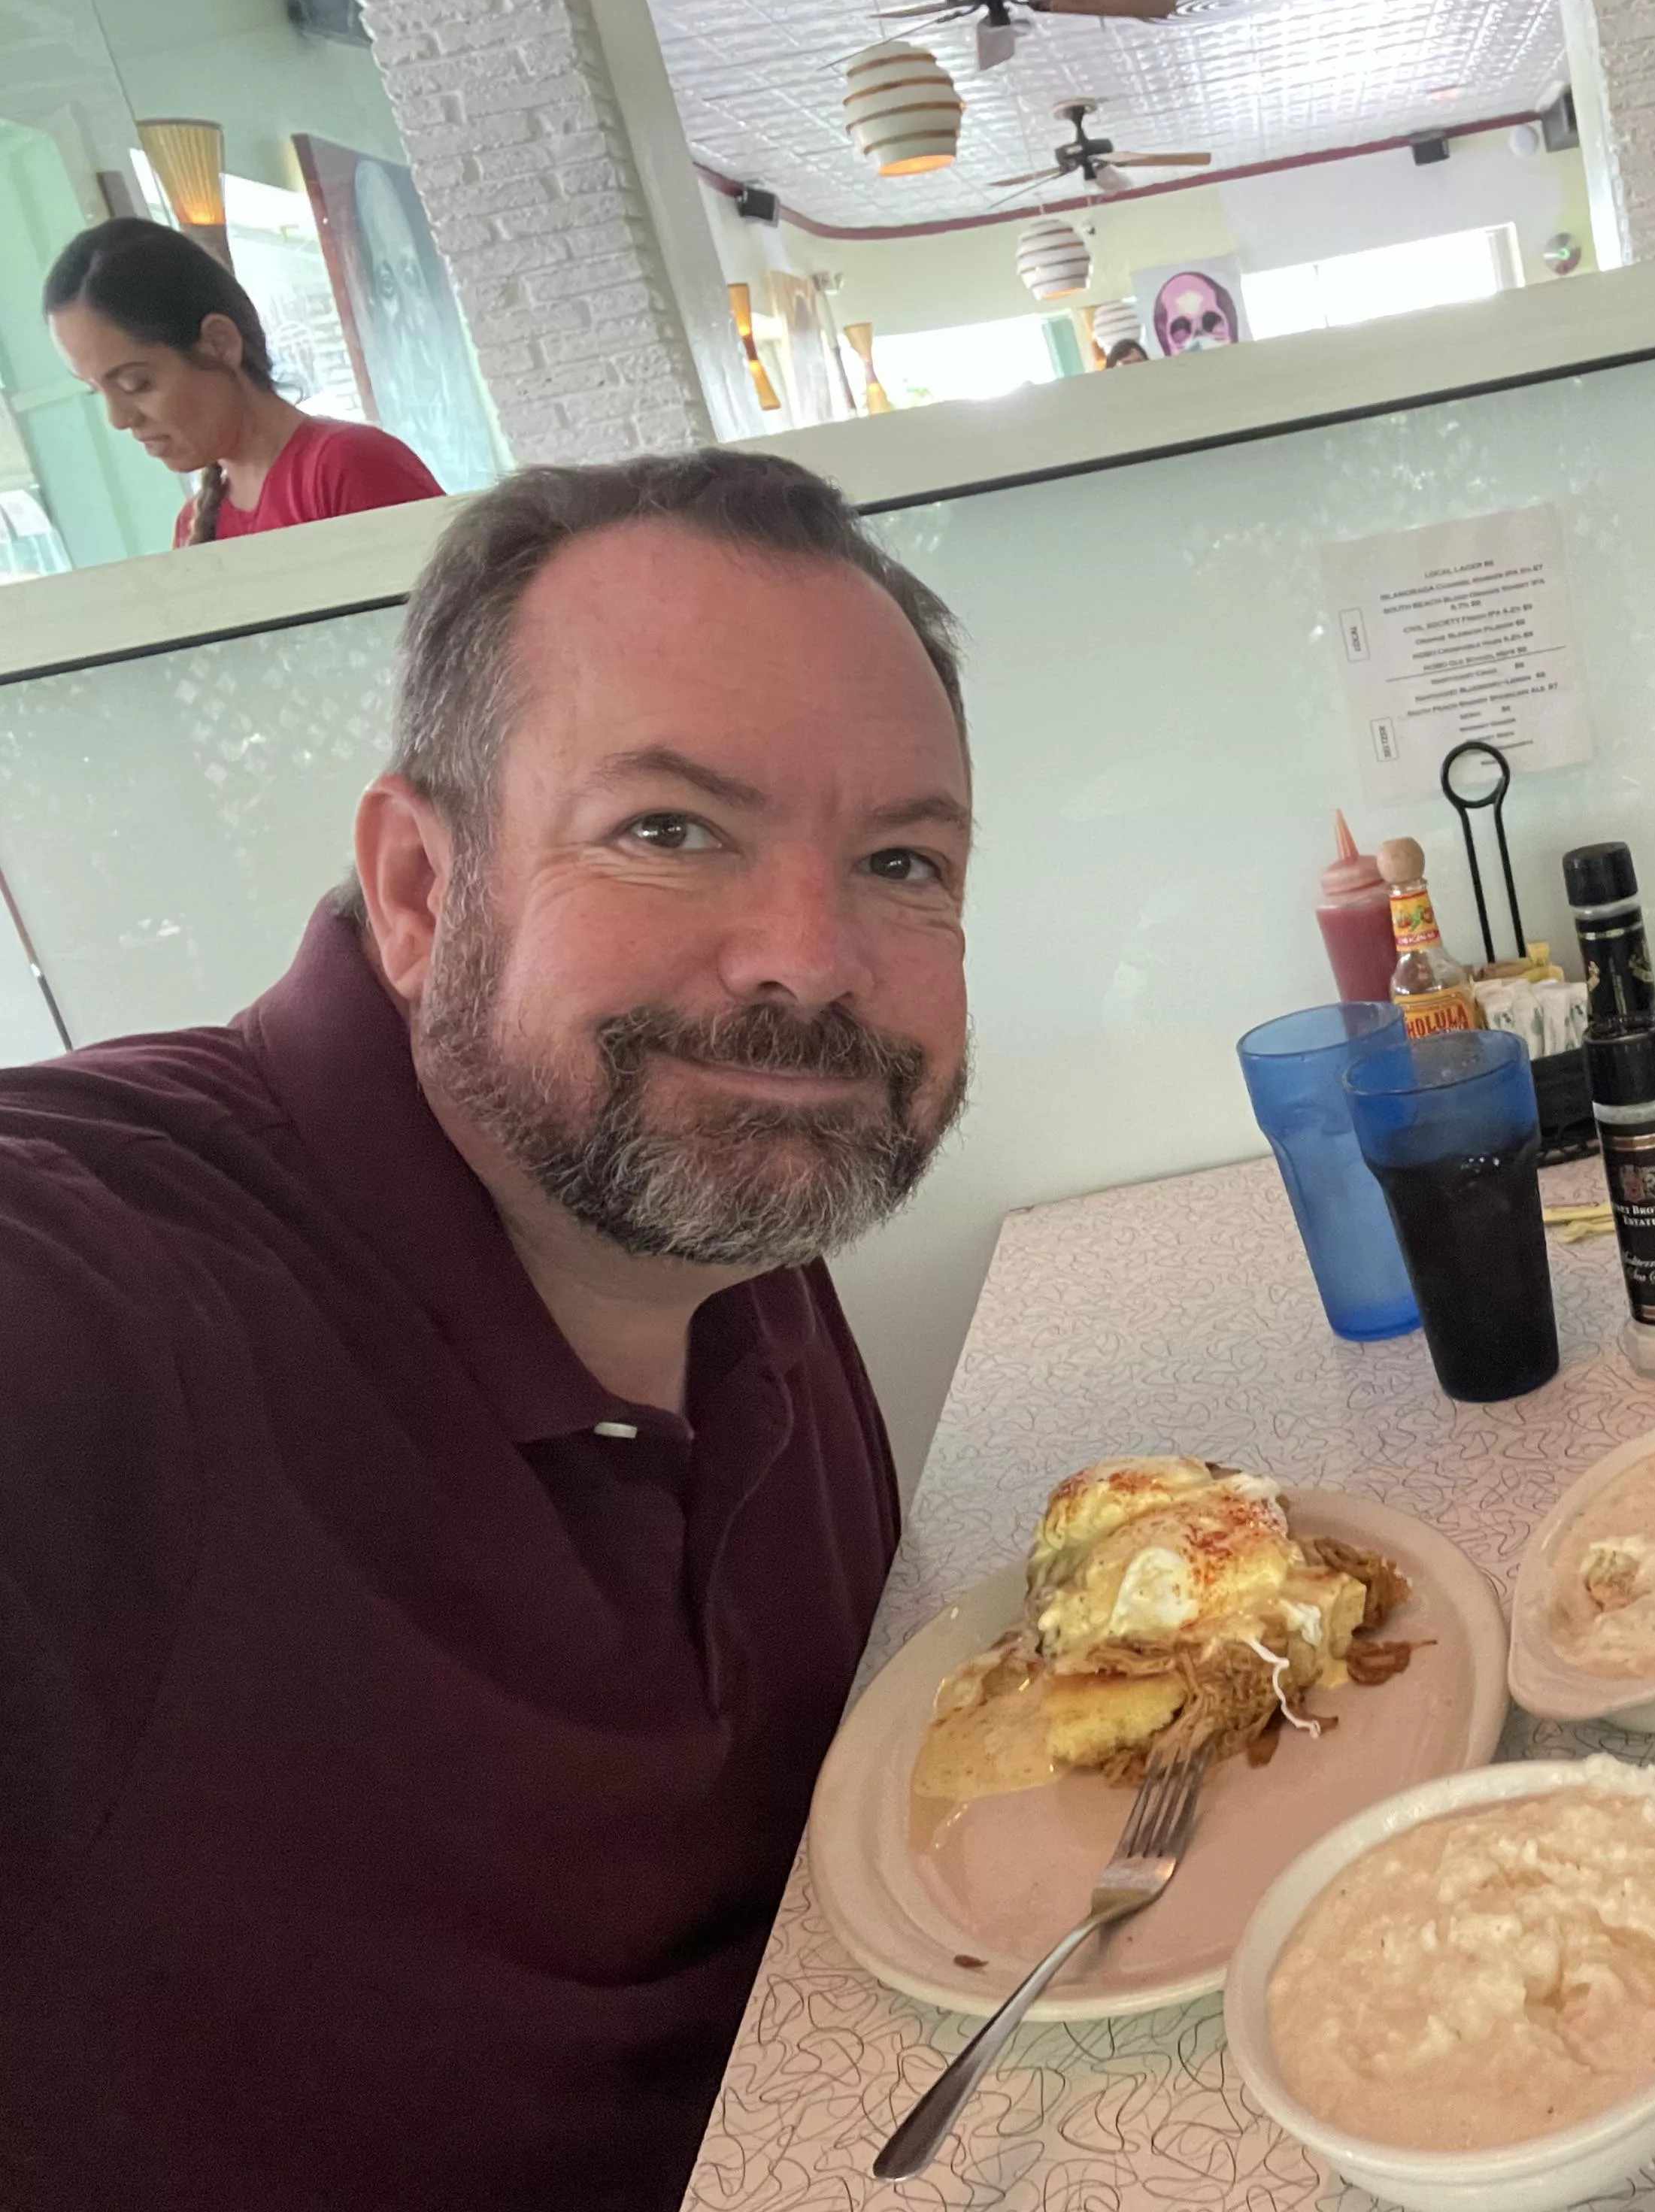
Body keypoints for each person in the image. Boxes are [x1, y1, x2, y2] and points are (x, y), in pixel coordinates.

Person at [0, 451, 976, 2209]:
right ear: (418, 889)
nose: (812, 959)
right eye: (669, 829)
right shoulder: (111, 1291)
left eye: (903, 859)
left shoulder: (727, 1215)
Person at [45, 214, 445, 545]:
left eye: (137, 383)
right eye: (97, 390)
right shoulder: (192, 526)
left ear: (219, 343)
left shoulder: (348, 467)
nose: (117, 418)